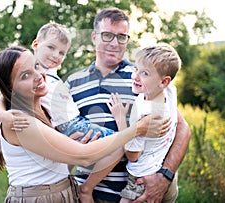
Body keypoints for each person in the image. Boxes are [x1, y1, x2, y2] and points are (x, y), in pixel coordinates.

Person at [0, 46, 168, 203]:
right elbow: (84, 157)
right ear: (11, 88)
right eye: (25, 75)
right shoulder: (20, 122)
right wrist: (137, 129)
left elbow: (2, 97)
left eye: (36, 66)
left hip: (63, 190)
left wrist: (67, 154)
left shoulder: (43, 105)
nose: (38, 76)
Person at [65, 7, 191, 203]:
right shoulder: (72, 83)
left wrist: (165, 176)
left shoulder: (145, 76)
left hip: (134, 192)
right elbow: (59, 132)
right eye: (107, 35)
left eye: (121, 37)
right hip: (86, 192)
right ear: (93, 37)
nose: (115, 43)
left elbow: (182, 128)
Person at [0, 22, 114, 141]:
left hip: (78, 121)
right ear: (36, 45)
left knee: (113, 143)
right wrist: (2, 115)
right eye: (51, 47)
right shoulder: (32, 74)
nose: (56, 55)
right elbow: (3, 96)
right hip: (69, 125)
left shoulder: (51, 71)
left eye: (62, 53)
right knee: (115, 140)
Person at [107, 43, 181, 202]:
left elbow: (133, 155)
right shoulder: (170, 92)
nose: (135, 77)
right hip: (159, 172)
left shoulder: (143, 113)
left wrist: (120, 118)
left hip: (140, 182)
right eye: (136, 69)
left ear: (163, 81)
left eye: (145, 73)